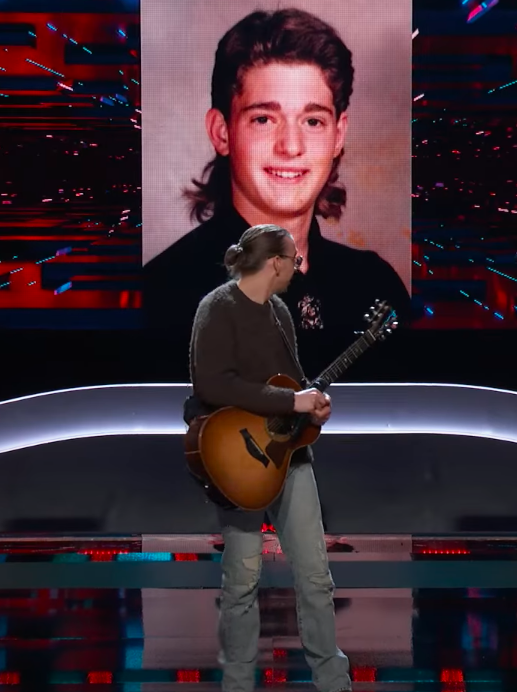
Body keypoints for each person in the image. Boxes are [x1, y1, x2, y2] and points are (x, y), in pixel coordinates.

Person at [144, 7, 410, 332]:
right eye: (263, 119)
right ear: (221, 132)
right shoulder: (162, 295)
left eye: (313, 121)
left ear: (338, 135)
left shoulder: (376, 286)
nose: (290, 146)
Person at [186, 224, 352, 692]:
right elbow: (213, 385)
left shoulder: (280, 311)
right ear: (275, 263)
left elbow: (291, 388)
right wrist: (290, 403)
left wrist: (312, 405)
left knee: (316, 576)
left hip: (290, 459)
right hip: (237, 463)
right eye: (294, 261)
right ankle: (237, 683)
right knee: (242, 578)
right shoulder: (217, 308)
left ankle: (333, 681)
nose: (298, 269)